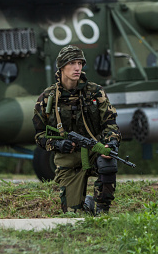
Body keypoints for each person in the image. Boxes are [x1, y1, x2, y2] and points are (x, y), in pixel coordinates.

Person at [33, 45, 121, 214]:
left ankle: (102, 209)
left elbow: (111, 123)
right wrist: (57, 145)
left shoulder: (95, 92)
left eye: (80, 63)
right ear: (61, 66)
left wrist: (111, 142)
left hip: (94, 149)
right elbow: (39, 135)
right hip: (68, 159)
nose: (77, 68)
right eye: (72, 63)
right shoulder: (47, 98)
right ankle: (86, 204)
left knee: (107, 162)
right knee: (73, 215)